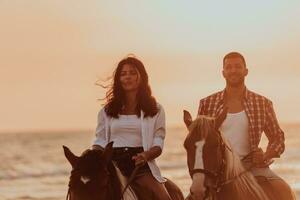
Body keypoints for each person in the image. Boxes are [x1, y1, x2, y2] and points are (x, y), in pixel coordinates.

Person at [184, 52, 295, 199]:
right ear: (223, 73)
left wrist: (265, 155)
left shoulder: (262, 103)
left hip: (253, 167)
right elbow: (200, 141)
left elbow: (278, 138)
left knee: (282, 191)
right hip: (217, 171)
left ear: (246, 71)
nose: (233, 70)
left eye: (238, 66)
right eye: (229, 67)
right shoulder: (207, 103)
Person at [92, 56, 172, 200]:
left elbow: (158, 141)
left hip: (140, 165)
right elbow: (100, 140)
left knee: (164, 197)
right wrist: (92, 158)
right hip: (112, 164)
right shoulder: (106, 111)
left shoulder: (156, 109)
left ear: (141, 77)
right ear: (118, 79)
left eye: (132, 73)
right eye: (123, 74)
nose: (127, 77)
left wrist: (146, 155)